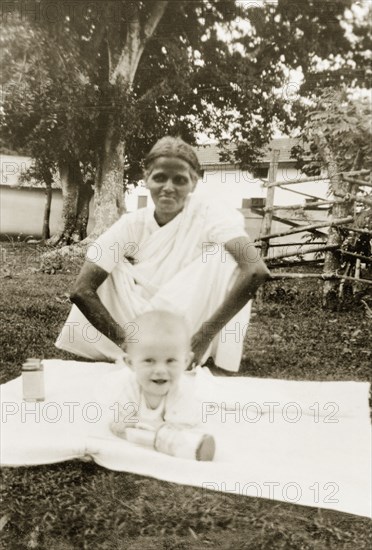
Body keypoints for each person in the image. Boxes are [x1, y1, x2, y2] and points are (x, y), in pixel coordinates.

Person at [56, 136, 270, 372]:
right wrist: (127, 341)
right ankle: (140, 352)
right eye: (159, 178)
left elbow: (255, 270)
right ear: (146, 179)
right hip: (138, 321)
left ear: (194, 184)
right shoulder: (132, 224)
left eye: (179, 180)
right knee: (109, 265)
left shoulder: (209, 212)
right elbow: (81, 290)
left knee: (224, 259)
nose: (168, 187)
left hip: (190, 321)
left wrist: (202, 338)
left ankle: (189, 351)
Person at [109, 310, 200, 437]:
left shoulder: (183, 391)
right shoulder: (128, 385)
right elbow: (118, 424)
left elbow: (179, 431)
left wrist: (138, 425)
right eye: (149, 361)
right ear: (130, 363)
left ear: (186, 362)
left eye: (170, 361)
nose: (160, 370)